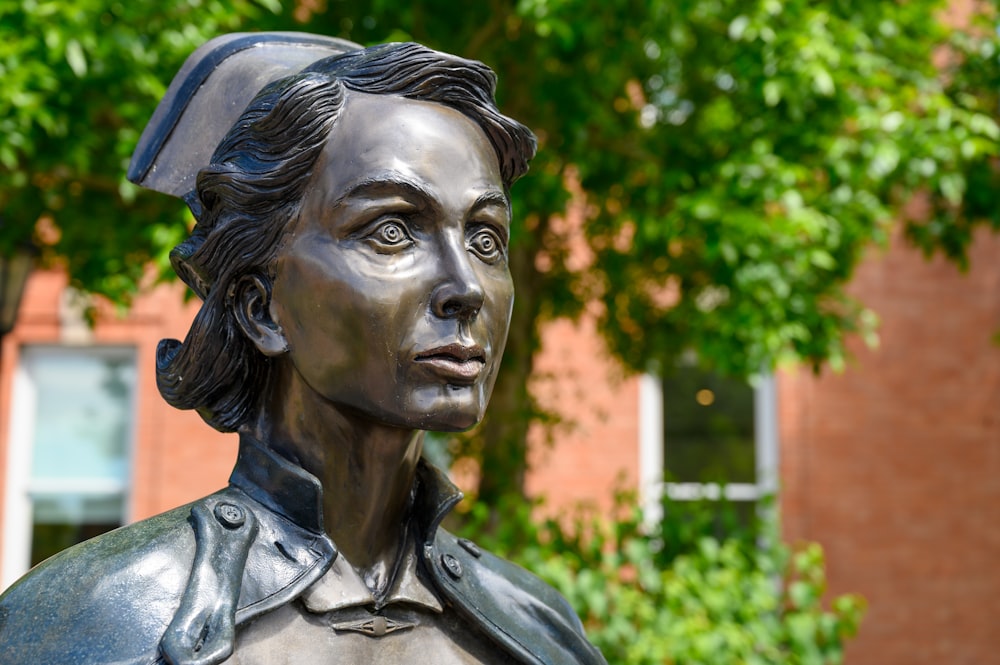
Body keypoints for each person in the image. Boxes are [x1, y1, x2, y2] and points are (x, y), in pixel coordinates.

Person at [0, 32, 607, 665]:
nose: (464, 288)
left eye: (486, 238)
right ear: (260, 307)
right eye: (393, 231)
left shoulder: (539, 635)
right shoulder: (106, 621)